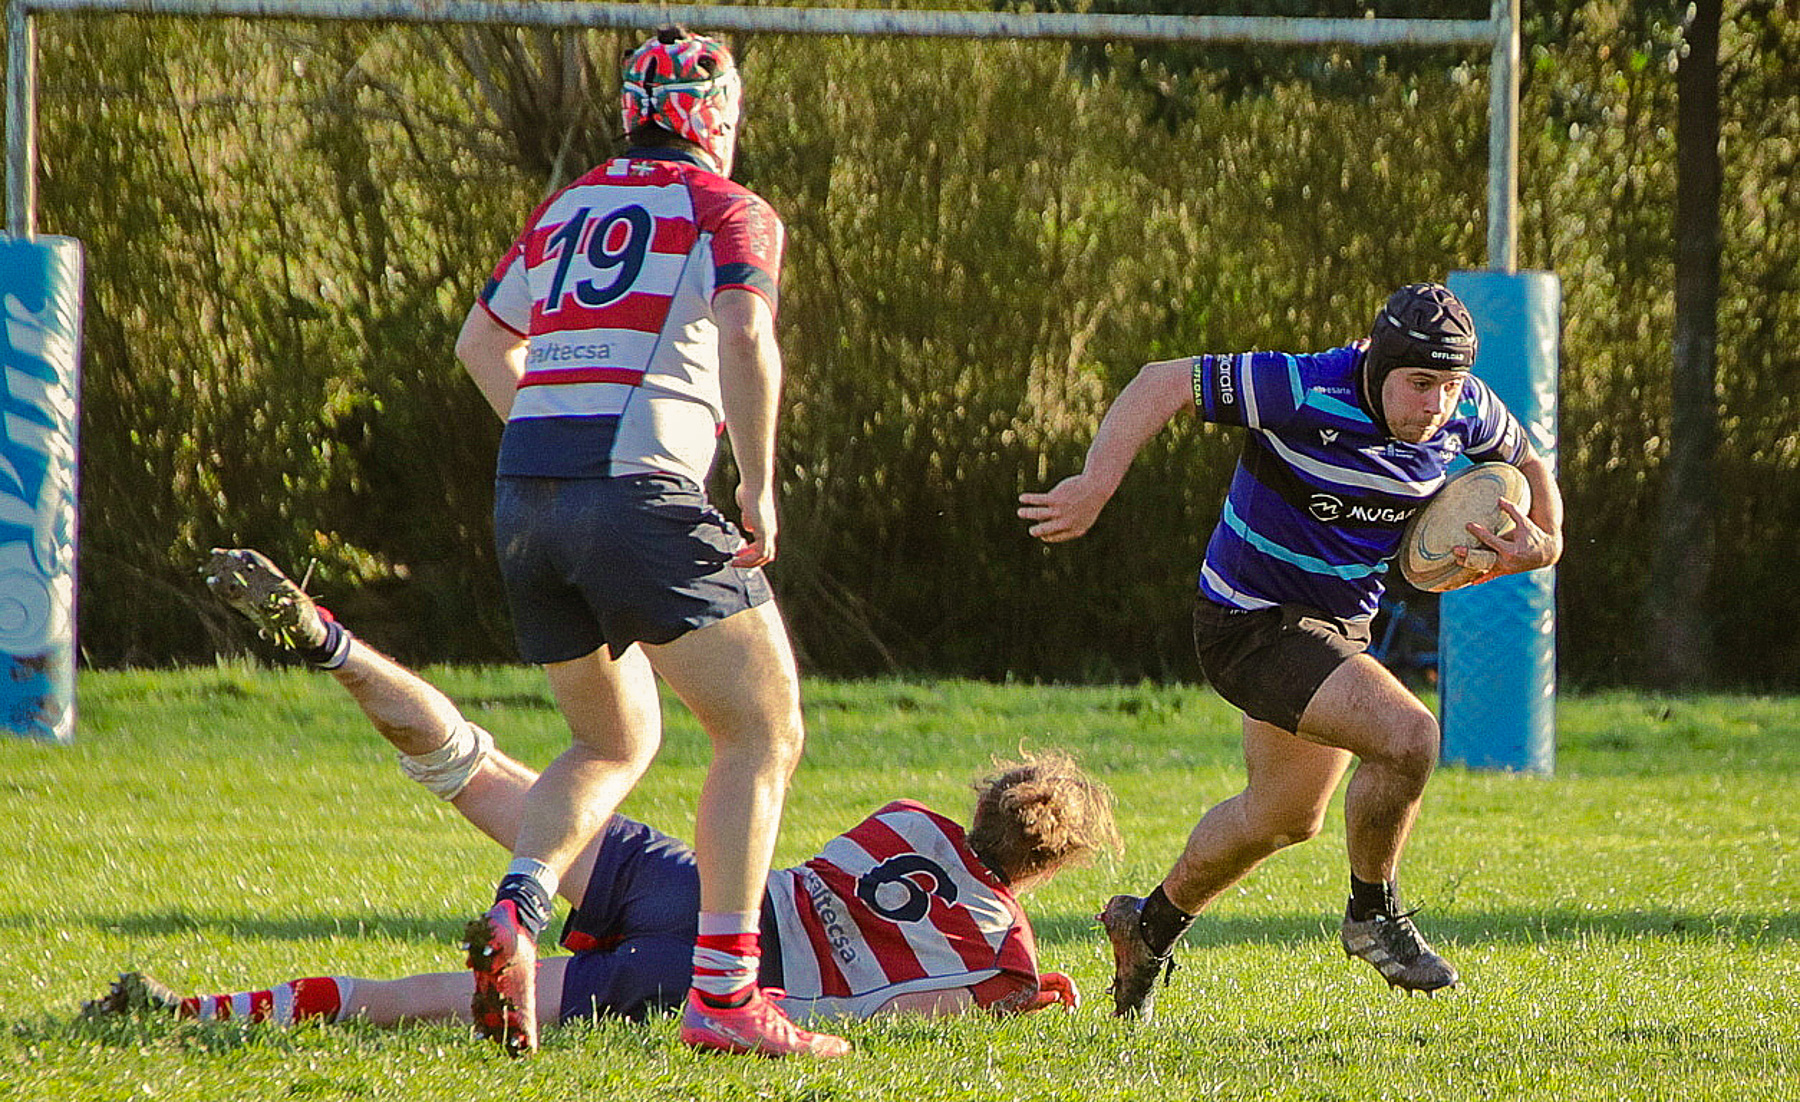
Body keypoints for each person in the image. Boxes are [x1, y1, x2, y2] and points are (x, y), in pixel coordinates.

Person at [92, 550, 1119, 1035]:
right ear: (1052, 864)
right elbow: (927, 1007)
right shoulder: (1004, 951)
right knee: (420, 1007)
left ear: (984, 803)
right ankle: (189, 1008)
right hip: (720, 975)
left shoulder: (906, 821)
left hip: (697, 887)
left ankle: (333, 642)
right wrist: (1029, 1003)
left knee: (475, 771)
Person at [1018, 283, 1563, 1018]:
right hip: (1248, 623)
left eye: (1450, 384)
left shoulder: (1465, 410)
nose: (1436, 403)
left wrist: (1546, 542)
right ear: (1376, 365)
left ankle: (1146, 930)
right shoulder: (1303, 387)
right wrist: (1095, 481)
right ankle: (1374, 913)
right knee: (1410, 738)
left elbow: (1530, 464)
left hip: (1335, 633)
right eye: (1420, 383)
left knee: (1283, 817)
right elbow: (1163, 380)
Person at [449, 27, 836, 1056]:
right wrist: (756, 484)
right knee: (763, 728)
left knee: (613, 741)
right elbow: (748, 335)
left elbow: (481, 341)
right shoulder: (728, 207)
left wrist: (552, 440)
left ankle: (518, 913)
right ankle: (725, 996)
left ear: (631, 111)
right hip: (641, 499)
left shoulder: (571, 203)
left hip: (525, 500)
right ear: (721, 114)